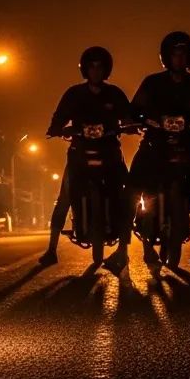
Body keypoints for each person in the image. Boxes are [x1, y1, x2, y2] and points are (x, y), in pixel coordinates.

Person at [114, 31, 190, 270]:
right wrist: (142, 121)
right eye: (174, 54)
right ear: (166, 57)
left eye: (183, 54)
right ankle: (122, 249)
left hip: (188, 149)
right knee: (130, 192)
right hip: (154, 146)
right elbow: (133, 111)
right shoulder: (152, 83)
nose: (179, 59)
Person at [39, 46, 134, 267]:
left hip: (110, 152)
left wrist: (130, 126)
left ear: (106, 69)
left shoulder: (115, 94)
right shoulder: (73, 94)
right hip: (79, 152)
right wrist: (56, 128)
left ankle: (123, 250)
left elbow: (128, 118)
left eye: (100, 67)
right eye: (92, 67)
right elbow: (58, 118)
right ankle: (51, 249)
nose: (96, 71)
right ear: (85, 69)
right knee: (64, 197)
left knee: (129, 193)